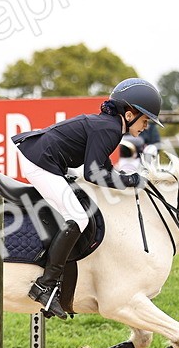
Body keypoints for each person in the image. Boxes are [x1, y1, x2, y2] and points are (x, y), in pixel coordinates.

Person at [10, 78, 162, 318]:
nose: (146, 127)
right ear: (130, 114)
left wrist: (125, 178)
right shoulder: (110, 129)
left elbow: (103, 167)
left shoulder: (110, 126)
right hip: (40, 162)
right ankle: (45, 285)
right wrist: (131, 181)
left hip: (45, 158)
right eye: (145, 120)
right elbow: (94, 173)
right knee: (78, 217)